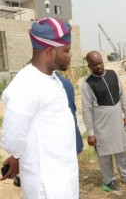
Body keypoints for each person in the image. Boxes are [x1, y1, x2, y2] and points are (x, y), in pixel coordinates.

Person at [1, 18, 79, 199]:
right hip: (48, 186)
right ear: (50, 51)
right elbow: (12, 141)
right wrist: (19, 156)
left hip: (64, 179)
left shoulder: (53, 79)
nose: (70, 55)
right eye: (66, 50)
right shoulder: (26, 85)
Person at [1, 72, 83, 185]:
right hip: (70, 141)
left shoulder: (42, 87)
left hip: (53, 151)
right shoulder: (65, 83)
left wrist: (17, 157)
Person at [81, 51, 126, 191]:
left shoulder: (113, 75)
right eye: (94, 65)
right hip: (101, 126)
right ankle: (109, 180)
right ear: (89, 65)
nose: (99, 66)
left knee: (122, 150)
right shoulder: (87, 84)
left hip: (117, 122)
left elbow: (122, 96)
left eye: (100, 63)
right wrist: (90, 132)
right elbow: (87, 110)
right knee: (105, 155)